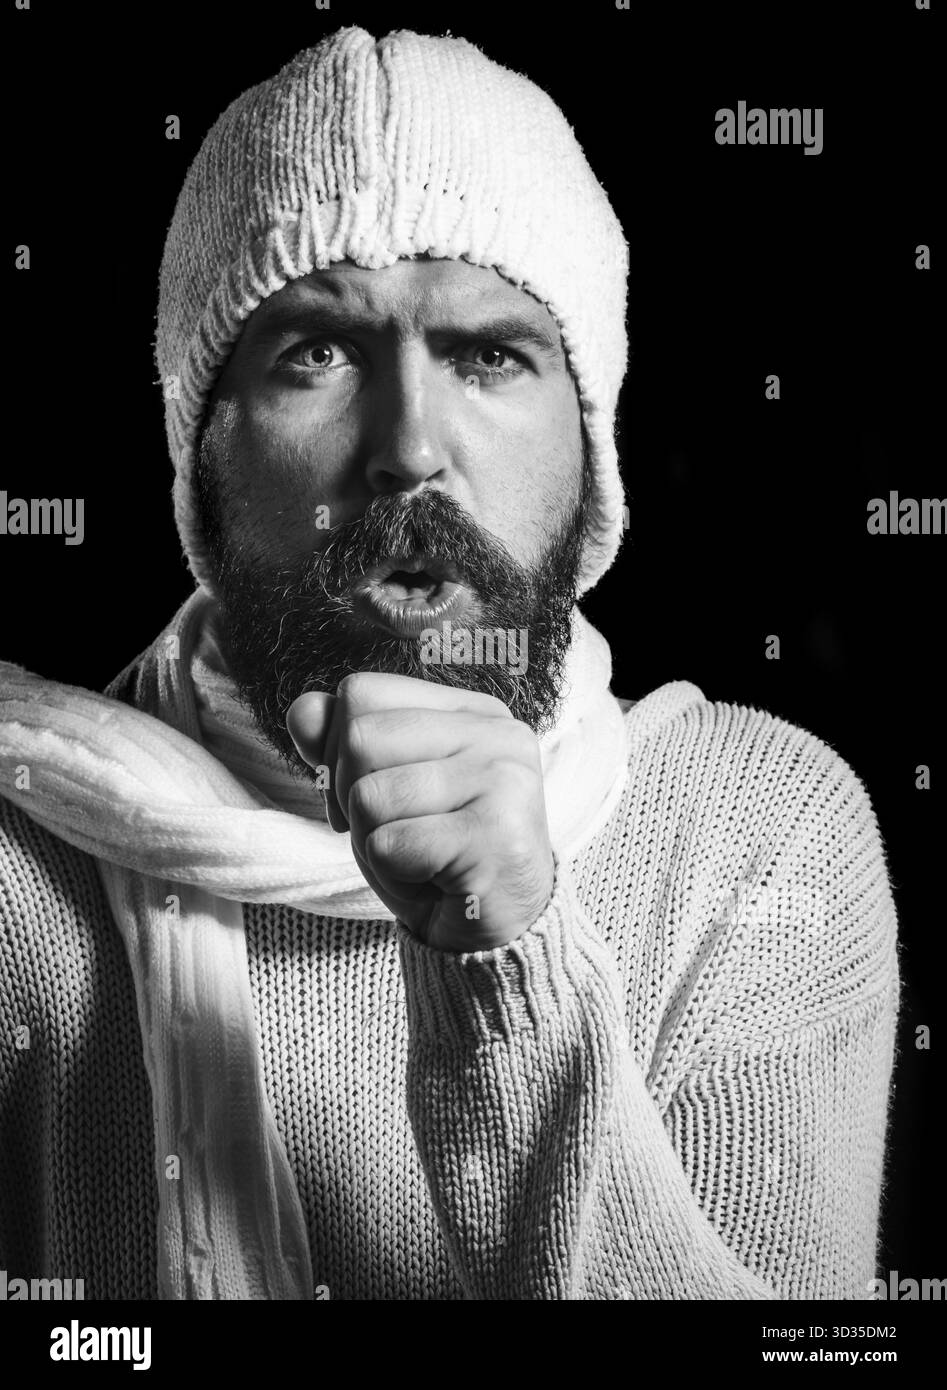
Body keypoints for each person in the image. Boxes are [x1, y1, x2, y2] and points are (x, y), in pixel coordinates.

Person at [0, 26, 899, 1301]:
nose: (408, 447)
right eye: (316, 352)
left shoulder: (757, 843)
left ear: (590, 455)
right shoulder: (11, 870)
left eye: (488, 355)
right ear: (198, 458)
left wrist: (508, 960)